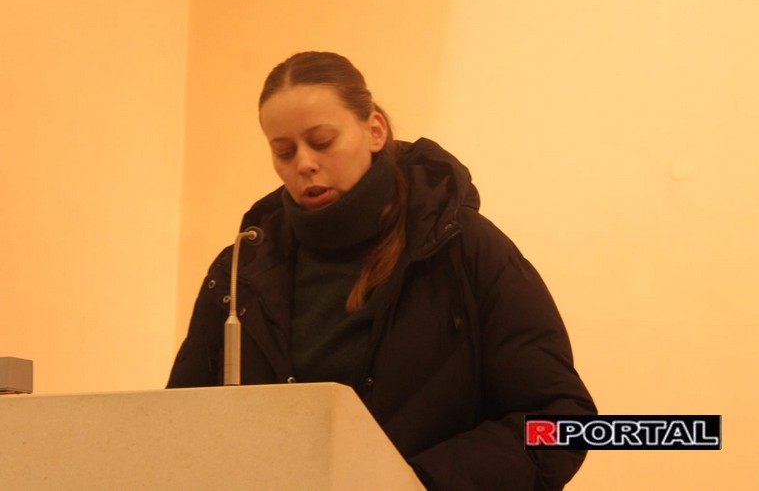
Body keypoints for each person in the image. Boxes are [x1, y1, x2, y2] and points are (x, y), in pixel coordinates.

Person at [167, 51, 596, 490]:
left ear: (375, 130)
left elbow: (564, 422)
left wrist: (416, 482)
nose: (304, 163)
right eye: (284, 152)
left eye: (322, 141)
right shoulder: (240, 273)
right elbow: (174, 434)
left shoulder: (465, 247)